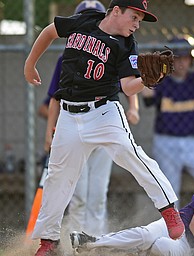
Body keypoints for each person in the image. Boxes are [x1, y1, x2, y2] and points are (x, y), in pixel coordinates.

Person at [24, 0, 185, 255]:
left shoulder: (126, 44)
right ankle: (49, 241)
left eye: (139, 21)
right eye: (134, 17)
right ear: (116, 10)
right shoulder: (85, 21)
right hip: (68, 114)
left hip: (103, 112)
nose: (136, 25)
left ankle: (168, 210)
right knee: (58, 177)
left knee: (130, 153)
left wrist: (145, 79)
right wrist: (30, 63)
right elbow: (49, 31)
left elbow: (127, 86)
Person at [37, 0, 140, 237]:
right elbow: (55, 98)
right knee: (79, 194)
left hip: (103, 124)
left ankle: (95, 244)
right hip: (75, 127)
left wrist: (134, 108)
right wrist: (49, 133)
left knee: (98, 193)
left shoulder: (117, 47)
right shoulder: (67, 59)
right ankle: (75, 240)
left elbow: (127, 84)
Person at [142, 36, 194, 206]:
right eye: (177, 58)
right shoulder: (162, 80)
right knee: (170, 192)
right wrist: (149, 68)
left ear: (191, 60)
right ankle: (175, 232)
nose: (181, 63)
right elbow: (147, 95)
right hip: (165, 142)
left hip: (191, 143)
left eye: (185, 58)